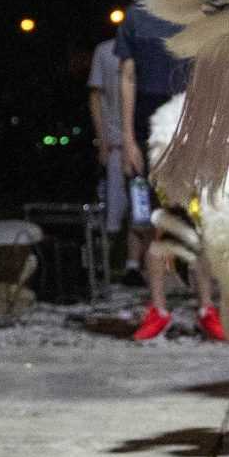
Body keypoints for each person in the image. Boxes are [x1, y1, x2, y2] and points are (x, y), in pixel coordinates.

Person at [118, 1, 192, 342]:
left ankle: (208, 307)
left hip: (189, 117)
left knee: (201, 219)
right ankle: (158, 308)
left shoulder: (197, 10)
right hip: (150, 123)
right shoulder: (136, 17)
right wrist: (128, 139)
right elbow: (128, 76)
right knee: (154, 222)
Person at [86, 28, 149, 288]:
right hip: (115, 143)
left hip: (144, 141)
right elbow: (96, 96)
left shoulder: (151, 48)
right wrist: (102, 140)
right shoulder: (105, 51)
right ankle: (102, 265)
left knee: (141, 206)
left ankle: (133, 266)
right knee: (113, 207)